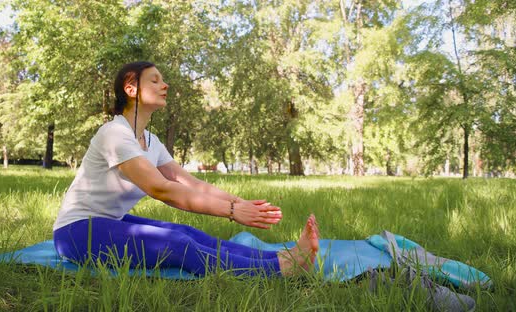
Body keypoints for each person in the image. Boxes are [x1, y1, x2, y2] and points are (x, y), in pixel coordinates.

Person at [52, 61, 320, 276]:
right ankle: (281, 270)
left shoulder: (151, 141)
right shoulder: (114, 133)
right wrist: (231, 211)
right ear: (131, 89)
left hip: (109, 221)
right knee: (177, 245)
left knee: (185, 233)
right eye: (154, 80)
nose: (165, 85)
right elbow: (161, 188)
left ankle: (285, 257)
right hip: (76, 232)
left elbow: (192, 184)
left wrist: (240, 203)